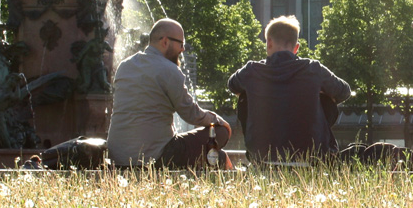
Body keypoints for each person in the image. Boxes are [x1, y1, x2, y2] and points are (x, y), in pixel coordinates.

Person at [107, 19, 230, 168]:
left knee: (219, 156)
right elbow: (192, 114)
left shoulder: (125, 65)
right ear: (165, 42)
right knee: (220, 132)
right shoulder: (169, 70)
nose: (182, 49)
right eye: (181, 44)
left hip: (117, 157)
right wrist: (219, 121)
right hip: (154, 158)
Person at [228, 15, 351, 163]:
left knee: (244, 97)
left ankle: (258, 152)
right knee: (326, 97)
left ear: (269, 43)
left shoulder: (251, 71)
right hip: (310, 155)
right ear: (296, 48)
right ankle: (319, 150)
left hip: (263, 155)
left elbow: (232, 85)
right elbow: (344, 91)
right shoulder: (313, 69)